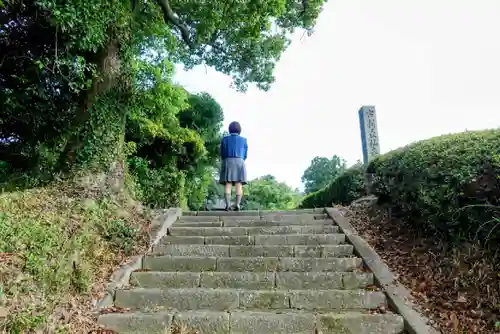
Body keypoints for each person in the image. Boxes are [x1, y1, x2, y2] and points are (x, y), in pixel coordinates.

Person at [219, 121, 248, 211]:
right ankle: (237, 204)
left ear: (229, 129)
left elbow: (222, 153)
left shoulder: (225, 139)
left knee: (228, 184)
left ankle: (228, 205)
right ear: (239, 130)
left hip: (228, 160)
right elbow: (245, 154)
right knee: (239, 184)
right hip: (240, 161)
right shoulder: (244, 140)